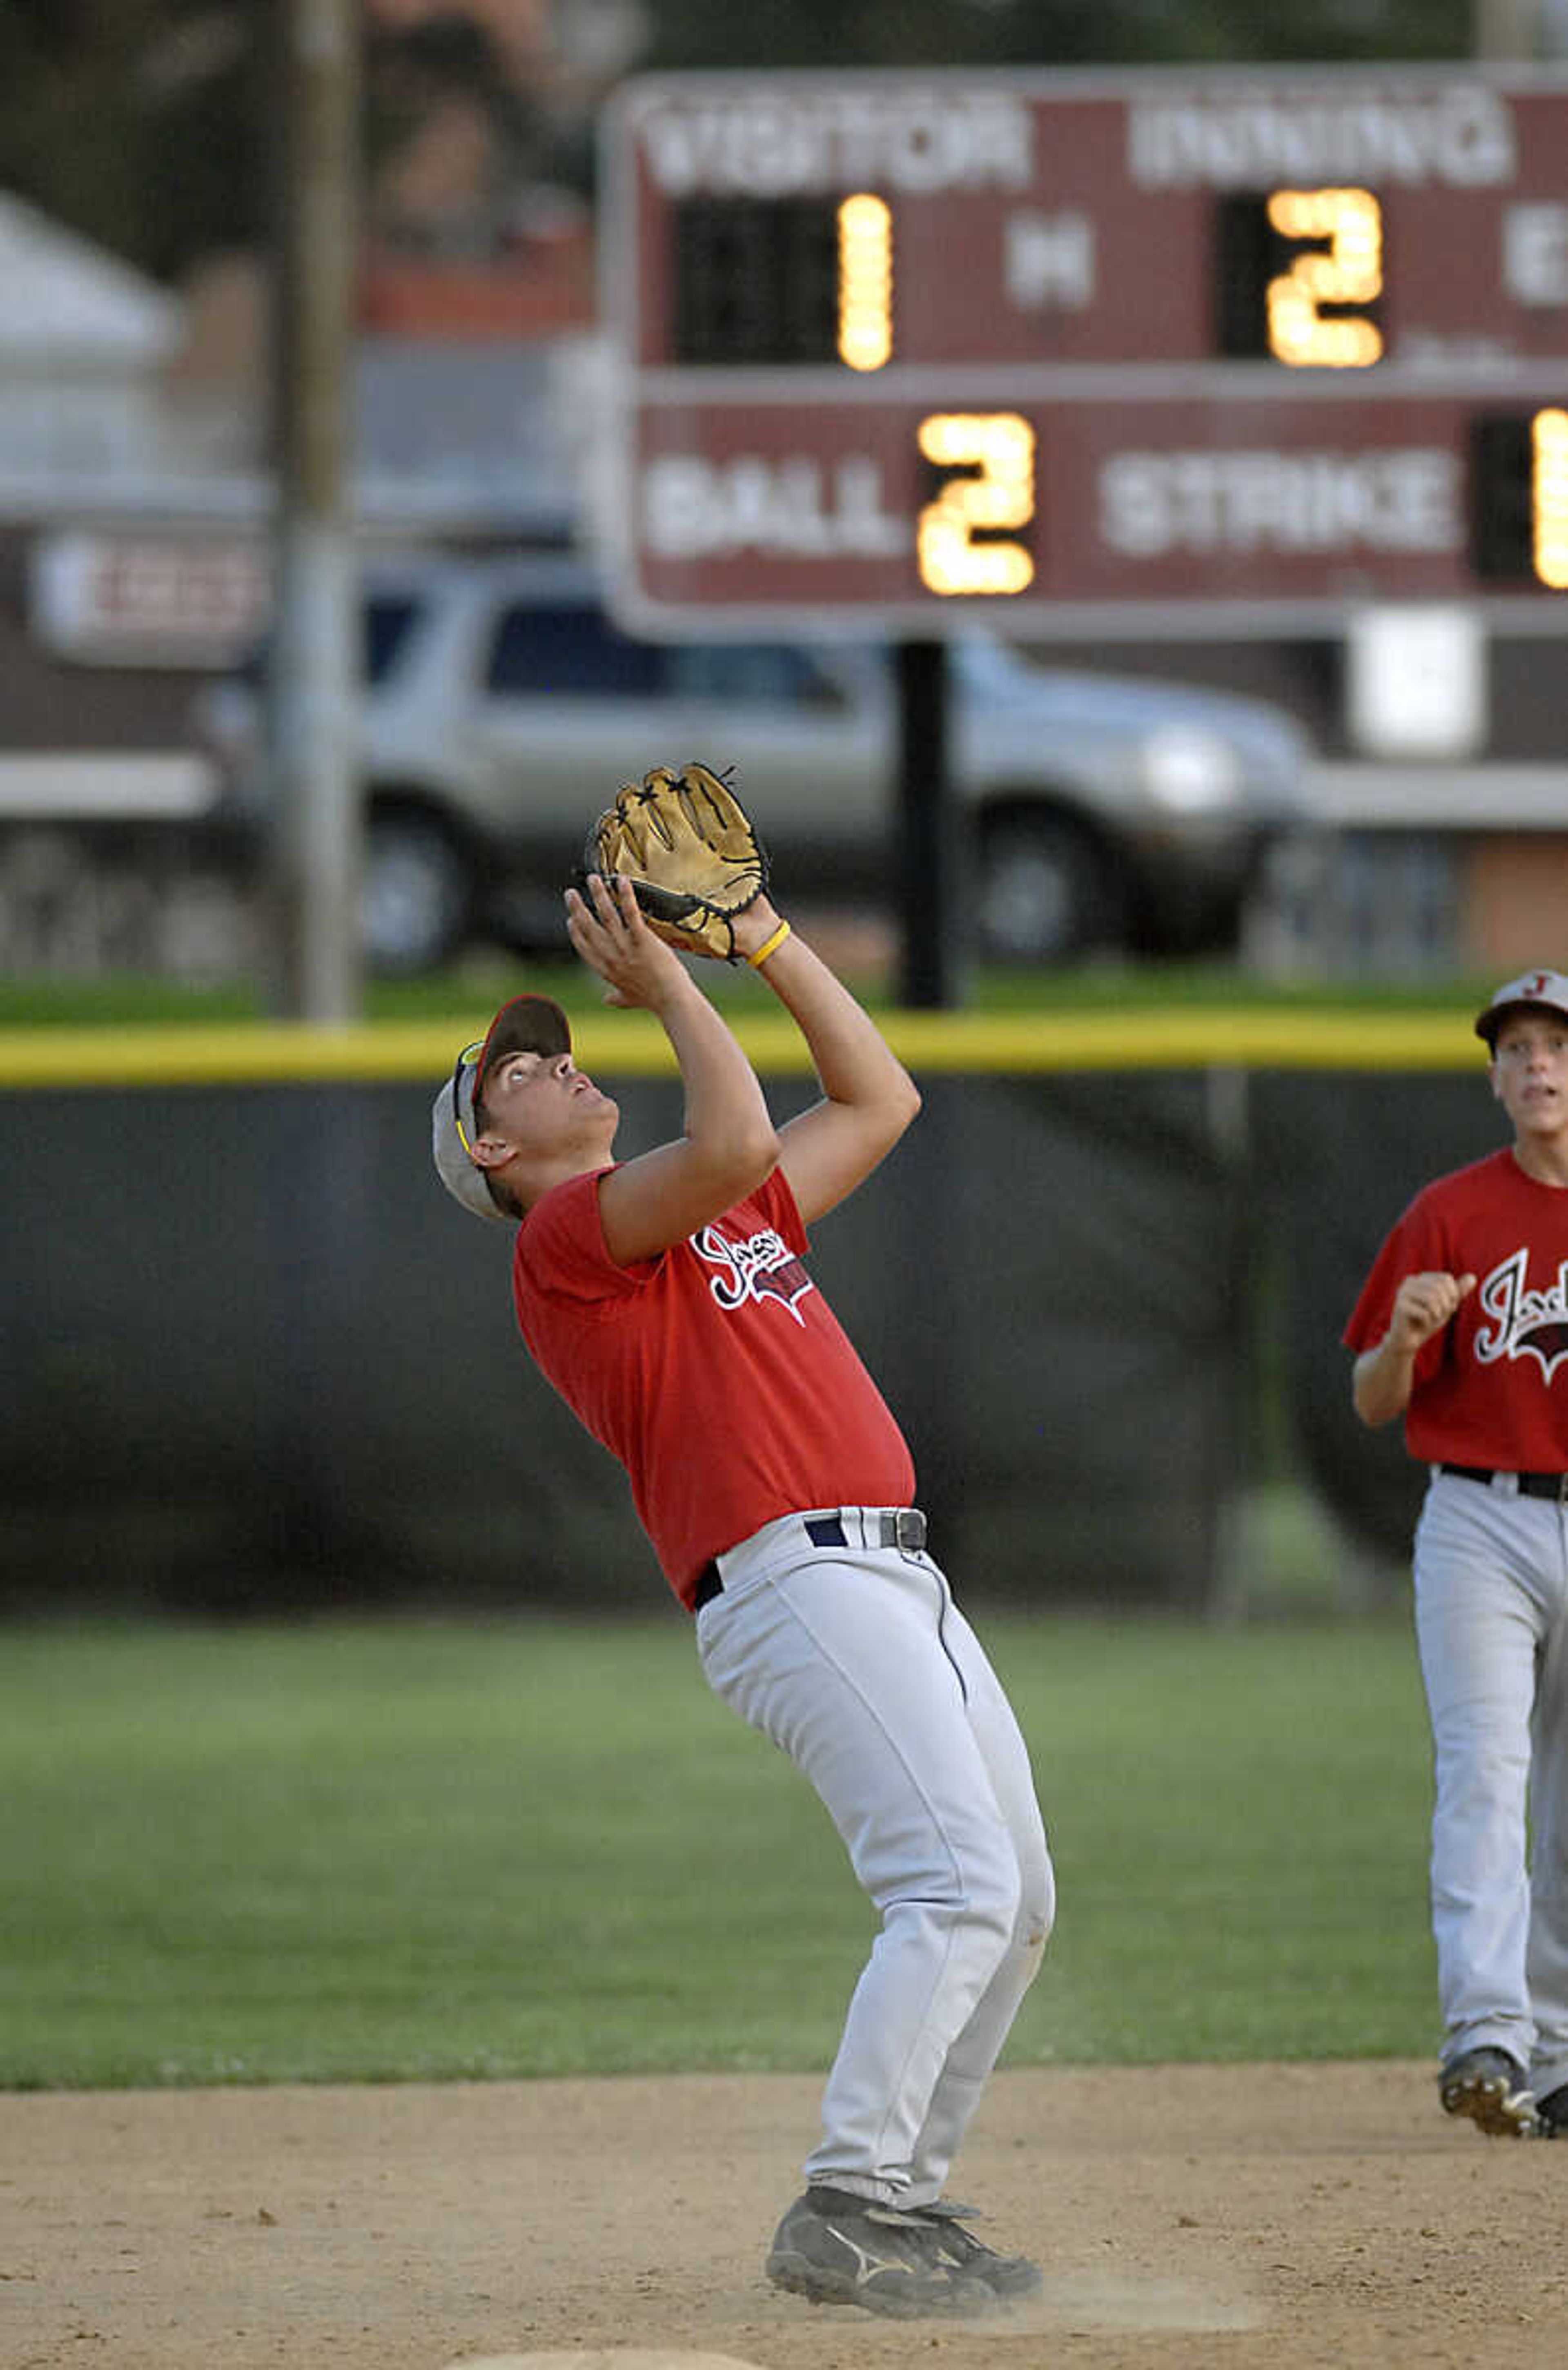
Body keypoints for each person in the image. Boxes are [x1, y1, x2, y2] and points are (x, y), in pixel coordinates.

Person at [431, 851, 1055, 2315]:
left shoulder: (722, 1220)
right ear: (495, 1158)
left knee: (1016, 1898)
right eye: (515, 1071)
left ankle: (897, 2197)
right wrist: (669, 988)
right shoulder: (568, 1245)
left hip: (896, 1579)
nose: (554, 1064)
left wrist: (766, 940)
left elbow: (880, 1100)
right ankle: (842, 2199)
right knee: (952, 1882)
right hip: (792, 1581)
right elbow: (723, 1135)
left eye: (556, 1045)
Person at [1345, 967, 1568, 2142]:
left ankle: (1562, 2052)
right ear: (1494, 1076)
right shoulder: (1447, 1215)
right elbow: (1374, 1401)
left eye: (1557, 1046)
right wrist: (1399, 1337)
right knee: (1488, 1770)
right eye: (1518, 1048)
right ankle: (1487, 2034)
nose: (1539, 1064)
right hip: (1480, 1516)